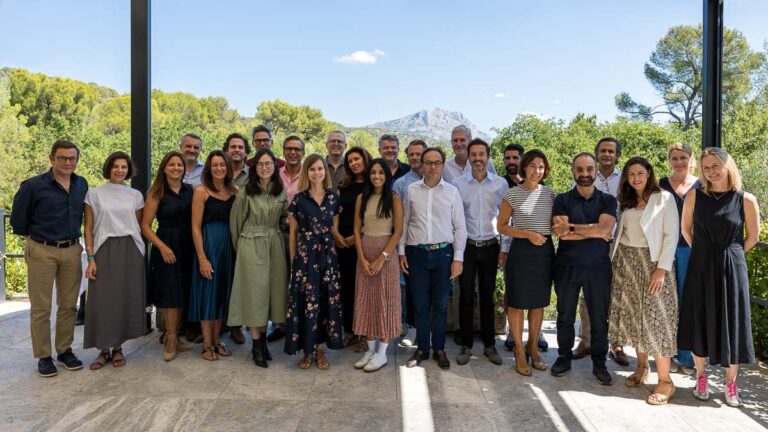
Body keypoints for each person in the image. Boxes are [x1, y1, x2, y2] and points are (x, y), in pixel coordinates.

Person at [679, 147, 760, 408]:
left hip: (731, 266)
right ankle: (701, 376)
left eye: (715, 166)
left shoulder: (745, 199)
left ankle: (731, 382)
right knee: (698, 317)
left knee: (732, 320)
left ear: (728, 166)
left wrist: (731, 254)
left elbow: (753, 237)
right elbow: (686, 229)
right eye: (706, 167)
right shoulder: (695, 196)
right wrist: (703, 251)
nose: (711, 171)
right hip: (700, 263)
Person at [11, 139, 88, 377]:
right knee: (41, 307)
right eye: (62, 158)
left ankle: (64, 351)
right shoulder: (33, 186)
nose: (67, 162)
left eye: (72, 158)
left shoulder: (81, 184)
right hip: (42, 249)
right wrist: (36, 242)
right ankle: (44, 356)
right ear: (51, 159)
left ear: (77, 160)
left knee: (69, 305)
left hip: (72, 249)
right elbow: (18, 221)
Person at [608, 157, 679, 405]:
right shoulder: (626, 200)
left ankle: (665, 381)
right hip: (626, 262)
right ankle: (641, 367)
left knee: (657, 320)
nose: (636, 178)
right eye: (631, 174)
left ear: (649, 173)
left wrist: (661, 270)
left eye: (640, 173)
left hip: (654, 264)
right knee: (635, 317)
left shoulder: (664, 198)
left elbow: (671, 235)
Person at [550, 153, 617, 385]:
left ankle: (599, 363)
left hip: (598, 267)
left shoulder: (608, 200)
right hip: (566, 265)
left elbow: (605, 229)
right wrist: (594, 230)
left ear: (595, 171)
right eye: (580, 169)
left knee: (599, 318)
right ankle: (563, 357)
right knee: (565, 315)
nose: (585, 174)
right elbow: (561, 234)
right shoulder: (562, 199)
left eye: (589, 169)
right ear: (573, 172)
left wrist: (572, 228)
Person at [399, 147, 467, 370]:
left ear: (442, 165)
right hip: (416, 254)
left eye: (437, 162)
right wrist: (401, 252)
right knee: (419, 305)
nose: (432, 167)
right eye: (428, 162)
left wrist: (458, 258)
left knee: (439, 306)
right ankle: (422, 349)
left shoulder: (452, 192)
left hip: (443, 254)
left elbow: (460, 227)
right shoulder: (411, 190)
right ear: (422, 164)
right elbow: (405, 222)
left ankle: (439, 349)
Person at [82, 151, 146, 369]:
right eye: (116, 166)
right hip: (103, 249)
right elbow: (88, 227)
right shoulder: (94, 193)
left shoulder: (135, 195)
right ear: (108, 168)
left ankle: (118, 348)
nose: (120, 170)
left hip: (130, 249)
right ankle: (103, 350)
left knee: (124, 299)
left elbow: (137, 226)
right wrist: (91, 257)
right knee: (102, 299)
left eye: (124, 167)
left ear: (129, 170)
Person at [229, 149, 289, 368]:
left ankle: (263, 343)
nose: (265, 168)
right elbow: (236, 224)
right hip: (251, 244)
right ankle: (256, 346)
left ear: (274, 166)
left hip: (274, 245)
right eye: (261, 164)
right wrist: (242, 249)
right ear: (255, 168)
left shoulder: (280, 191)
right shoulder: (246, 192)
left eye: (268, 164)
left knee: (271, 294)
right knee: (255, 295)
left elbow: (284, 220)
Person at [497, 149, 555, 376]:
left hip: (544, 252)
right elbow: (502, 226)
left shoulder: (550, 194)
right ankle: (519, 351)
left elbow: (556, 223)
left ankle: (533, 347)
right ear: (524, 168)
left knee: (538, 303)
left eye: (540, 167)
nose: (536, 171)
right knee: (517, 303)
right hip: (521, 251)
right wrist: (528, 234)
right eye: (532, 166)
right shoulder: (511, 194)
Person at [284, 154, 343, 369]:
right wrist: (294, 260)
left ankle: (320, 351)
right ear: (306, 173)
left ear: (325, 172)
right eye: (312, 169)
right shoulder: (298, 200)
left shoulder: (333, 198)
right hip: (305, 256)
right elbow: (293, 234)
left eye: (320, 168)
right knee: (306, 302)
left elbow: (334, 230)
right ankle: (306, 352)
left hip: (328, 256)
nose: (316, 172)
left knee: (325, 301)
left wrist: (352, 240)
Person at [453, 139, 507, 366]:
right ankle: (466, 345)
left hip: (490, 246)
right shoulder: (458, 184)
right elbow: (455, 219)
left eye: (481, 154)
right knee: (466, 296)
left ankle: (489, 344)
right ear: (468, 157)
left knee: (487, 297)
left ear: (488, 157)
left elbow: (506, 219)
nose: (477, 158)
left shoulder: (500, 184)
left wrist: (504, 248)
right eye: (473, 154)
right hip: (467, 247)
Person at [574, 137, 628, 366]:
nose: (607, 154)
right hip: (590, 244)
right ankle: (585, 340)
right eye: (603, 151)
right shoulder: (586, 176)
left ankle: (616, 343)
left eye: (611, 151)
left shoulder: (625, 180)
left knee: (617, 292)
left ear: (617, 155)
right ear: (597, 155)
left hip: (620, 243)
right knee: (586, 294)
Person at [351, 159, 404, 372]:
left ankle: (382, 353)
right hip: (365, 253)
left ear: (387, 176)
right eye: (373, 172)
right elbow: (357, 230)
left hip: (386, 255)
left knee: (385, 302)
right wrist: (362, 257)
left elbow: (398, 231)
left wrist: (382, 257)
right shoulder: (361, 198)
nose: (377, 176)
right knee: (367, 302)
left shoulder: (394, 198)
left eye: (381, 172)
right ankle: (371, 350)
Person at [141, 151, 194, 361]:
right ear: (164, 168)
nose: (176, 168)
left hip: (188, 244)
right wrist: (162, 247)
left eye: (179, 165)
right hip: (167, 245)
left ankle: (176, 336)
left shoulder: (191, 190)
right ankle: (171, 338)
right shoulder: (156, 192)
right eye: (171, 165)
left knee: (182, 292)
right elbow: (145, 226)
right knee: (172, 294)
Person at [189, 151, 237, 361]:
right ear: (209, 168)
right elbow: (195, 226)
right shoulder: (201, 191)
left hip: (228, 248)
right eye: (215, 165)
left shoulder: (235, 191)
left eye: (222, 165)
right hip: (209, 246)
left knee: (221, 294)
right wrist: (202, 257)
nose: (219, 168)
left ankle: (217, 341)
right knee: (208, 294)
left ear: (228, 167)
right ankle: (207, 345)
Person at [658, 142, 700, 374]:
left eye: (683, 157)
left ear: (691, 159)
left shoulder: (702, 184)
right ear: (669, 161)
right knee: (665, 301)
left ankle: (686, 357)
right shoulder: (660, 184)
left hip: (690, 249)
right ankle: (666, 354)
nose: (679, 162)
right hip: (664, 248)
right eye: (674, 158)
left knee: (687, 300)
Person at [333, 147, 373, 353]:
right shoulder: (344, 185)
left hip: (364, 241)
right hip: (341, 244)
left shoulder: (373, 185)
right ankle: (349, 330)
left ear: (365, 160)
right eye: (350, 161)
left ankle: (364, 333)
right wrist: (337, 235)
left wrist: (353, 239)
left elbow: (374, 217)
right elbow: (336, 211)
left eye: (357, 159)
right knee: (346, 288)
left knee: (363, 290)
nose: (354, 163)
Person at [393, 139, 427, 347]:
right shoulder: (400, 184)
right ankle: (413, 328)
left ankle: (430, 329)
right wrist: (401, 249)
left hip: (436, 244)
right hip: (411, 244)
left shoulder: (440, 179)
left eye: (418, 154)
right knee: (413, 289)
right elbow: (398, 220)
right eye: (411, 154)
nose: (414, 157)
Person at [279, 135, 305, 203]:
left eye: (297, 149)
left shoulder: (309, 176)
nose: (293, 152)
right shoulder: (276, 174)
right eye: (289, 149)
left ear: (303, 153)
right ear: (283, 152)